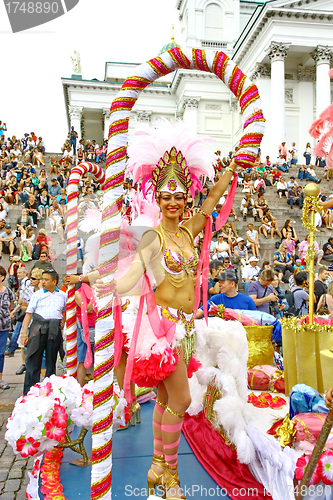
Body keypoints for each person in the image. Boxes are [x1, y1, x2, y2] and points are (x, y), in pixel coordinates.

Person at [103, 122, 239, 498]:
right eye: (166, 197)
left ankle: (155, 470)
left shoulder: (190, 230)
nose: (174, 203)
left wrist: (232, 169)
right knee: (181, 400)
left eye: (180, 197)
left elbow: (211, 202)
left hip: (185, 328)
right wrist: (104, 286)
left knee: (165, 401)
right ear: (158, 200)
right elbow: (133, 275)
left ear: (186, 199)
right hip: (162, 329)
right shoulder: (154, 236)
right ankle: (170, 474)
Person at [21, 269, 66, 395]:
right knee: (34, 360)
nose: (43, 282)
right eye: (42, 279)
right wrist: (24, 333)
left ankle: (49, 392)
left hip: (54, 329)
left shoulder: (62, 295)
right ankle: (30, 392)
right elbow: (28, 314)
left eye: (46, 279)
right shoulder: (37, 295)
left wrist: (64, 319)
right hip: (38, 328)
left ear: (54, 281)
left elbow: (68, 309)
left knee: (51, 361)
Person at [0, 266, 14, 389]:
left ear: (2, 277)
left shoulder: (8, 292)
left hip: (3, 326)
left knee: (0, 353)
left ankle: (0, 379)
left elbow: (10, 306)